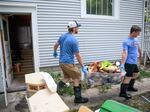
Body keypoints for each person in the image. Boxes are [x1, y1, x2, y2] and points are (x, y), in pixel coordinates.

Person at [53, 21, 89, 103]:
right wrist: (83, 67)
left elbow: (55, 45)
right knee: (77, 77)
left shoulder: (63, 36)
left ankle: (54, 91)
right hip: (68, 63)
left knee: (67, 78)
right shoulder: (73, 40)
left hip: (61, 61)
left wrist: (55, 52)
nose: (78, 29)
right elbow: (78, 55)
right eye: (77, 27)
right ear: (74, 28)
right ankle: (78, 98)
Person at [119, 25, 142, 99]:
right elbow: (124, 53)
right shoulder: (126, 41)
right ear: (133, 32)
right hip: (129, 62)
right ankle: (122, 93)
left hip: (134, 61)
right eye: (138, 33)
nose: (139, 34)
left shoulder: (135, 39)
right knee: (127, 77)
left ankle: (130, 87)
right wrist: (122, 64)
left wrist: (140, 54)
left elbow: (137, 46)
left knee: (136, 74)